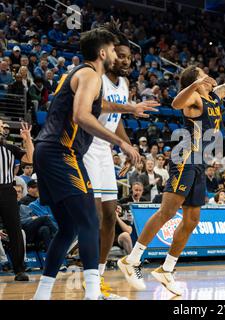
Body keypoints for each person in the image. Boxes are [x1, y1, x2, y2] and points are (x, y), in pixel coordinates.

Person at [118, 42, 225, 295]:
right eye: (203, 74)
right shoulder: (193, 100)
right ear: (197, 81)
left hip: (200, 164)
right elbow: (176, 103)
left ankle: (167, 269)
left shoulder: (213, 96)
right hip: (185, 159)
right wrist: (192, 84)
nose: (209, 77)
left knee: (192, 220)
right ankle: (132, 258)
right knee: (167, 212)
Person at [32, 28, 152, 301]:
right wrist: (120, 142)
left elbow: (101, 105)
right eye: (112, 50)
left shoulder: (80, 75)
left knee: (68, 227)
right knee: (88, 221)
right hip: (62, 152)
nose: (115, 54)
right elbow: (82, 114)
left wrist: (130, 108)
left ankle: (41, 295)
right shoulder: (90, 75)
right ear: (102, 53)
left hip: (47, 151)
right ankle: (93, 294)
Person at [80, 24, 157, 299]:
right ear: (110, 54)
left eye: (129, 58)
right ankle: (88, 277)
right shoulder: (95, 77)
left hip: (105, 151)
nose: (125, 61)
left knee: (111, 217)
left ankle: (98, 277)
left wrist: (126, 146)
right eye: (121, 55)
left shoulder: (123, 84)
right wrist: (127, 115)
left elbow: (117, 119)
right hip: (87, 146)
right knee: (95, 215)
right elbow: (95, 107)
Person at [0, 120, 34, 281]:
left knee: (15, 229)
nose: (3, 128)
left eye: (3, 126)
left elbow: (31, 158)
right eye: (0, 125)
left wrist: (27, 139)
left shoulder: (9, 148)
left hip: (6, 190)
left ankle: (19, 269)